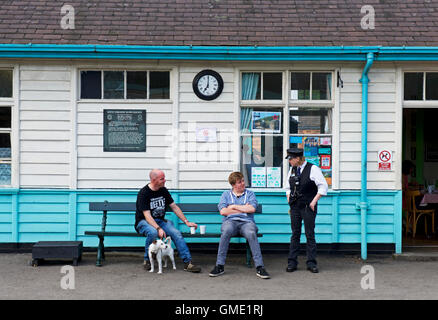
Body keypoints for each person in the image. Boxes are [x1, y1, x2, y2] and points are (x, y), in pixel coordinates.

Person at [135, 169, 201, 273]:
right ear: (153, 179)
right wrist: (158, 228)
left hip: (160, 221)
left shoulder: (163, 190)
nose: (165, 180)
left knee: (176, 233)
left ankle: (188, 263)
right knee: (152, 232)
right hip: (144, 222)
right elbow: (147, 216)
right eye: (162, 179)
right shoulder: (144, 193)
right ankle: (147, 259)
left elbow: (174, 207)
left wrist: (186, 221)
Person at [209, 172, 270, 279]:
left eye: (243, 180)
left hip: (247, 223)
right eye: (239, 182)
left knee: (251, 233)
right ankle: (219, 265)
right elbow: (223, 211)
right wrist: (243, 210)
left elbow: (252, 209)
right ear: (233, 185)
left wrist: (233, 207)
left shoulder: (250, 194)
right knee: (226, 231)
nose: (243, 183)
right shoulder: (226, 195)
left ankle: (260, 267)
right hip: (230, 223)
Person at [285, 148, 328, 273]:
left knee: (309, 234)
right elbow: (288, 187)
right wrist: (289, 198)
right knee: (295, 234)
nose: (289, 162)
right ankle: (292, 262)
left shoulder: (313, 169)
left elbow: (323, 186)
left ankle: (311, 263)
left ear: (297, 159)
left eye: (291, 159)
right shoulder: (292, 170)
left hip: (308, 206)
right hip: (295, 207)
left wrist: (313, 202)